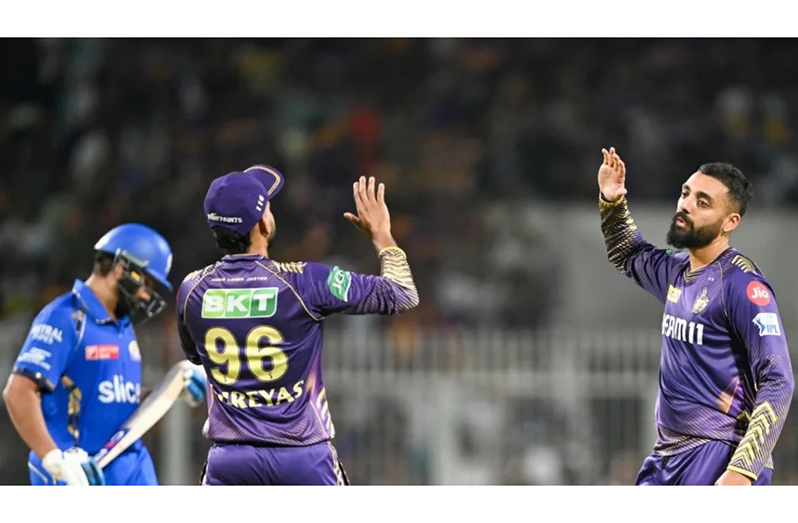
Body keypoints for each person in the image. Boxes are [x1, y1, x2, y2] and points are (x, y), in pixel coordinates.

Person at [176, 165, 419, 485]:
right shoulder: (304, 282)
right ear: (262, 222)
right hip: (303, 461)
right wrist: (382, 236)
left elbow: (195, 356)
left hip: (230, 464)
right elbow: (401, 295)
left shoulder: (191, 290)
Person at [597, 147, 794, 485]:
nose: (686, 205)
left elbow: (779, 380)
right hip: (668, 454)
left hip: (720, 454)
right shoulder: (677, 269)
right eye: (686, 193)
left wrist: (742, 470)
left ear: (730, 221)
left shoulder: (743, 286)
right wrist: (613, 202)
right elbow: (627, 254)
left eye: (703, 202)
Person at [3, 223, 207, 485]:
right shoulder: (66, 317)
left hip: (132, 468)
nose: (147, 296)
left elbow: (113, 399)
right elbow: (18, 392)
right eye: (147, 283)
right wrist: (52, 457)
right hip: (81, 473)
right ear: (122, 267)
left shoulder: (122, 325)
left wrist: (170, 387)